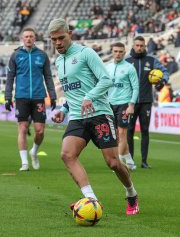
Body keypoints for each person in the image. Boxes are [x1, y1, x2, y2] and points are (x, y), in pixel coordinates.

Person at [49, 18, 139, 215]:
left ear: (69, 34)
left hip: (99, 113)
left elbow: (106, 80)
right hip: (77, 116)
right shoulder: (58, 60)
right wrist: (63, 111)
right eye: (53, 39)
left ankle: (131, 193)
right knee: (67, 154)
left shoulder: (85, 53)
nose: (57, 43)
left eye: (61, 38)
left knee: (113, 163)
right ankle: (91, 200)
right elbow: (72, 92)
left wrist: (90, 97)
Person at [5, 27, 57, 171]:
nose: (28, 39)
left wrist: (52, 95)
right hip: (21, 96)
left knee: (40, 130)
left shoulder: (42, 55)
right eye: (26, 36)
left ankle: (34, 151)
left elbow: (48, 76)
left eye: (31, 36)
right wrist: (7, 97)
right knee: (23, 127)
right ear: (22, 38)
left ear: (35, 39)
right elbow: (10, 78)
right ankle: (24, 163)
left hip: (39, 96)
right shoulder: (15, 55)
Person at [126, 36, 169, 169]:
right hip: (130, 102)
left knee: (145, 130)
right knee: (129, 130)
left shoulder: (151, 60)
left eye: (142, 46)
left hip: (146, 101)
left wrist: (162, 81)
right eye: (137, 45)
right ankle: (130, 160)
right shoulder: (127, 61)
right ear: (133, 46)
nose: (139, 48)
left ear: (145, 46)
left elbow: (165, 71)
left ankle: (144, 161)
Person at [106, 42, 139, 170]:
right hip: (110, 103)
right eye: (115, 51)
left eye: (120, 51)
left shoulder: (130, 68)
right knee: (115, 134)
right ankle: (128, 158)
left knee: (122, 132)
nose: (118, 54)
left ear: (124, 53)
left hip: (124, 103)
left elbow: (135, 87)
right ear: (112, 52)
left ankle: (119, 162)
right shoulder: (107, 67)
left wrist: (131, 105)